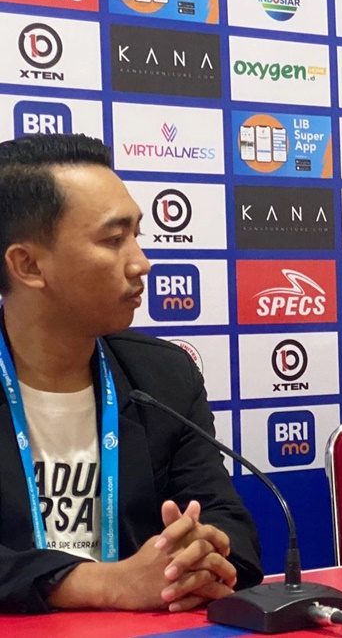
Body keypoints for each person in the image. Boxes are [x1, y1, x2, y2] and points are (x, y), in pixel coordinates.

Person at [0, 133, 262, 614]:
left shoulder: (163, 376)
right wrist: (101, 584)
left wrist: (198, 554)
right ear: (28, 265)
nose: (141, 262)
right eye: (114, 239)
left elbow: (231, 526)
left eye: (137, 235)